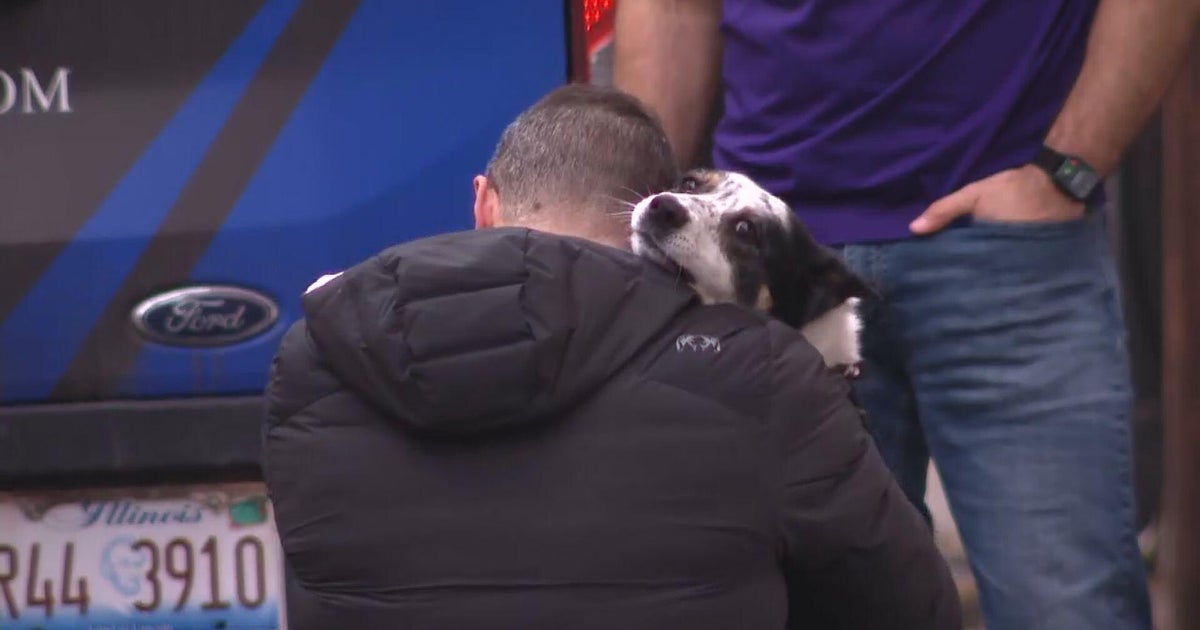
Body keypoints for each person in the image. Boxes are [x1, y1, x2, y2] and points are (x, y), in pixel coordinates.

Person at [261, 84, 961, 629]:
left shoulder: (317, 361)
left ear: (483, 205)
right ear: (654, 211)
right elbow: (914, 612)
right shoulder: (766, 382)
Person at [613, 1, 1200, 628]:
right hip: (760, 263)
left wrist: (1068, 170)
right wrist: (643, 221)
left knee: (1068, 611)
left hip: (1010, 242)